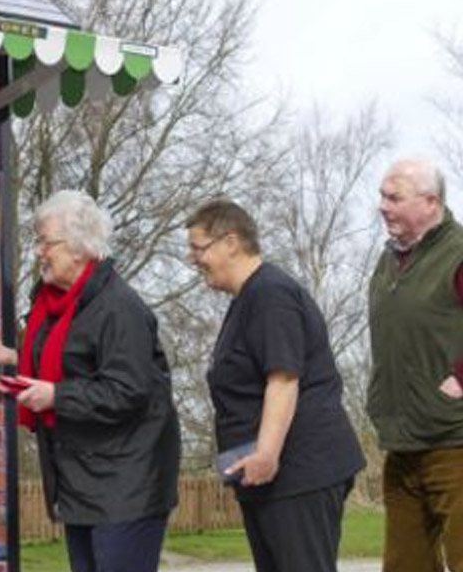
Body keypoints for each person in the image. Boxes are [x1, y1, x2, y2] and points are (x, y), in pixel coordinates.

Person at [0, 190, 179, 572]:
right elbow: (71, 359)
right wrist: (14, 358)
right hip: (82, 482)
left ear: (80, 248)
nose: (38, 251)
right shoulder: (56, 303)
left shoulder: (120, 309)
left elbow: (126, 391)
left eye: (46, 241)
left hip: (125, 486)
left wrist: (55, 396)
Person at [185, 199, 364, 572]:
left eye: (198, 248)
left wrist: (266, 453)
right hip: (270, 478)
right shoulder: (246, 299)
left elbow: (283, 379)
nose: (193, 259)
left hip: (298, 472)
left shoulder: (271, 295)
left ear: (230, 242)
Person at [367, 158, 463, 572]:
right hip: (402, 443)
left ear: (430, 202)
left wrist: (460, 380)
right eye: (381, 196)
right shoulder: (389, 262)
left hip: (455, 442)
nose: (382, 206)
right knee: (405, 565)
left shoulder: (457, 255)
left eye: (394, 197)